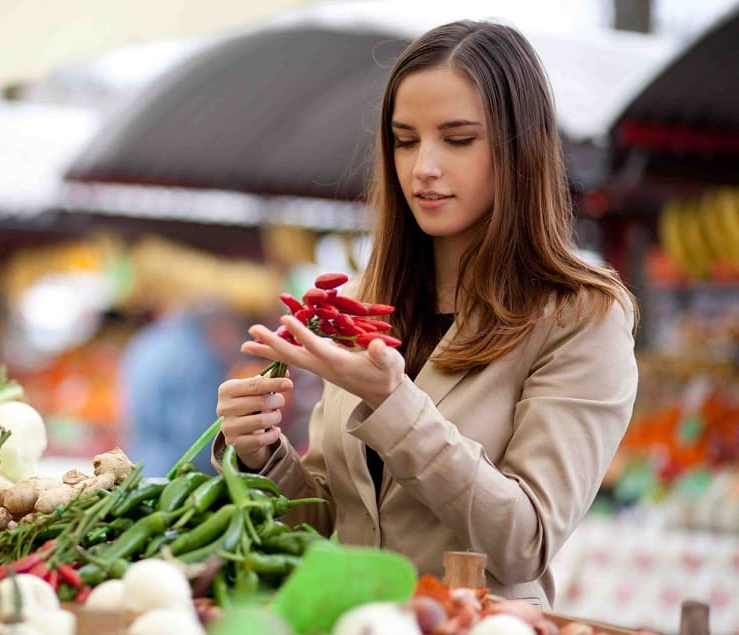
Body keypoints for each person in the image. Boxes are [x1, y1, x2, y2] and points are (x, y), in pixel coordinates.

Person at [214, 20, 639, 609]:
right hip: (351, 619)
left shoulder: (580, 317)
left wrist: (396, 406)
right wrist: (263, 454)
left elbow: (525, 541)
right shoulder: (362, 301)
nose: (422, 168)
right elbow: (328, 522)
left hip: (475, 624)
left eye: (458, 139)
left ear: (521, 149)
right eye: (405, 140)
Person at [121, 302, 244, 476]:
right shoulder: (198, 356)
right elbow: (198, 436)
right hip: (179, 478)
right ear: (218, 326)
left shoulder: (145, 341)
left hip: (140, 465)